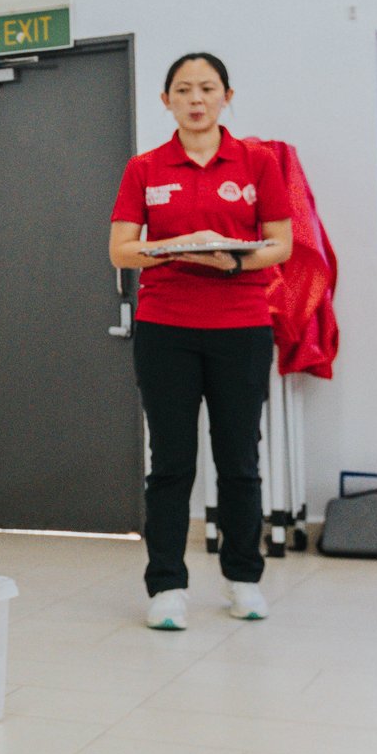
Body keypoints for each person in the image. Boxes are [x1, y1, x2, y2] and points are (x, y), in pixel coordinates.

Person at [109, 53, 293, 630]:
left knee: (239, 461)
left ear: (226, 95)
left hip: (242, 327)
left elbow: (281, 243)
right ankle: (166, 586)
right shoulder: (144, 168)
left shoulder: (257, 162)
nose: (196, 98)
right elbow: (120, 249)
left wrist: (231, 263)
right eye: (183, 89)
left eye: (207, 88)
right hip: (166, 330)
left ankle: (244, 578)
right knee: (171, 463)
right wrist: (180, 251)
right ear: (166, 101)